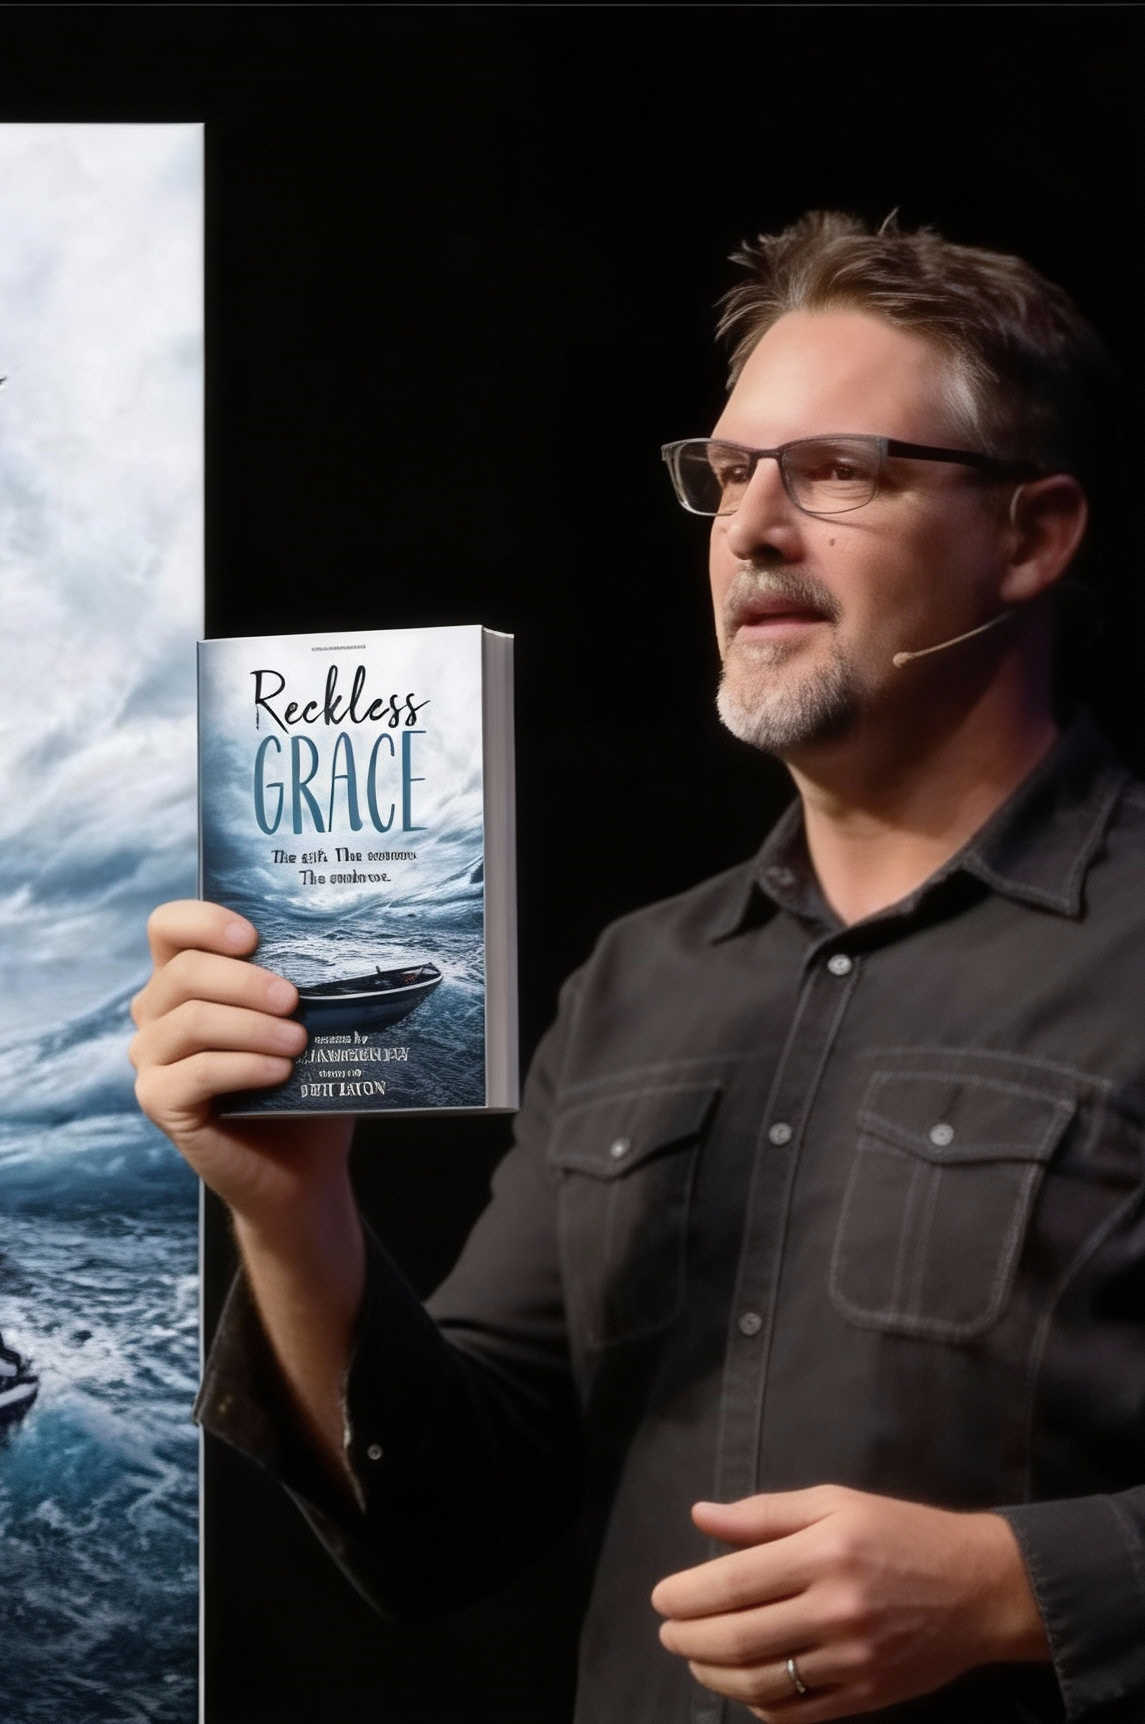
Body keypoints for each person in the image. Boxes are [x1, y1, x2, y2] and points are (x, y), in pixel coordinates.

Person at [130, 212, 1145, 1723]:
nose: (752, 529)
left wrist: (1015, 1587)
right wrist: (292, 1209)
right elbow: (444, 1522)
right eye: (728, 475)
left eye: (840, 470)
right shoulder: (637, 982)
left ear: (1032, 534)